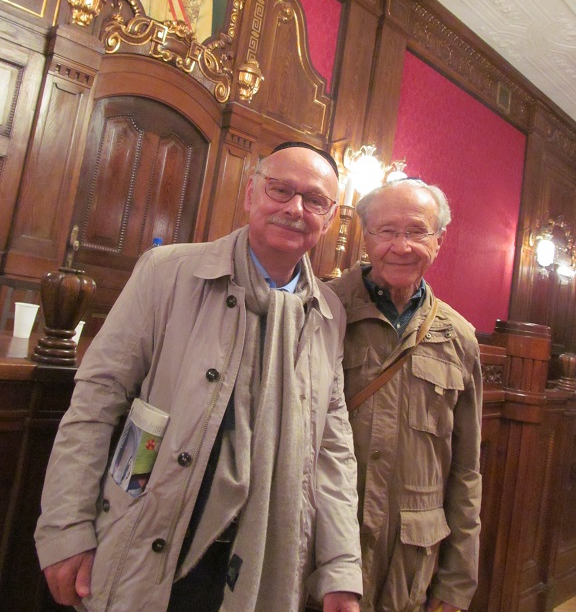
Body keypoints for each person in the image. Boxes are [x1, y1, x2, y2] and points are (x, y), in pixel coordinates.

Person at [35, 142, 363, 612]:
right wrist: (66, 528)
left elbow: (332, 448)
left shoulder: (329, 312)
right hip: (154, 536)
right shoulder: (167, 272)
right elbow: (96, 400)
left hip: (261, 557)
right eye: (280, 190)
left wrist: (341, 568)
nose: (295, 208)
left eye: (314, 200)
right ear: (250, 193)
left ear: (329, 219)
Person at [328, 178, 482, 612]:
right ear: (366, 236)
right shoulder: (322, 309)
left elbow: (466, 471)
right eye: (387, 231)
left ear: (439, 240)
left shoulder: (459, 337)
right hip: (322, 558)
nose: (402, 246)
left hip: (408, 572)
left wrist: (456, 585)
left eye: (417, 231)